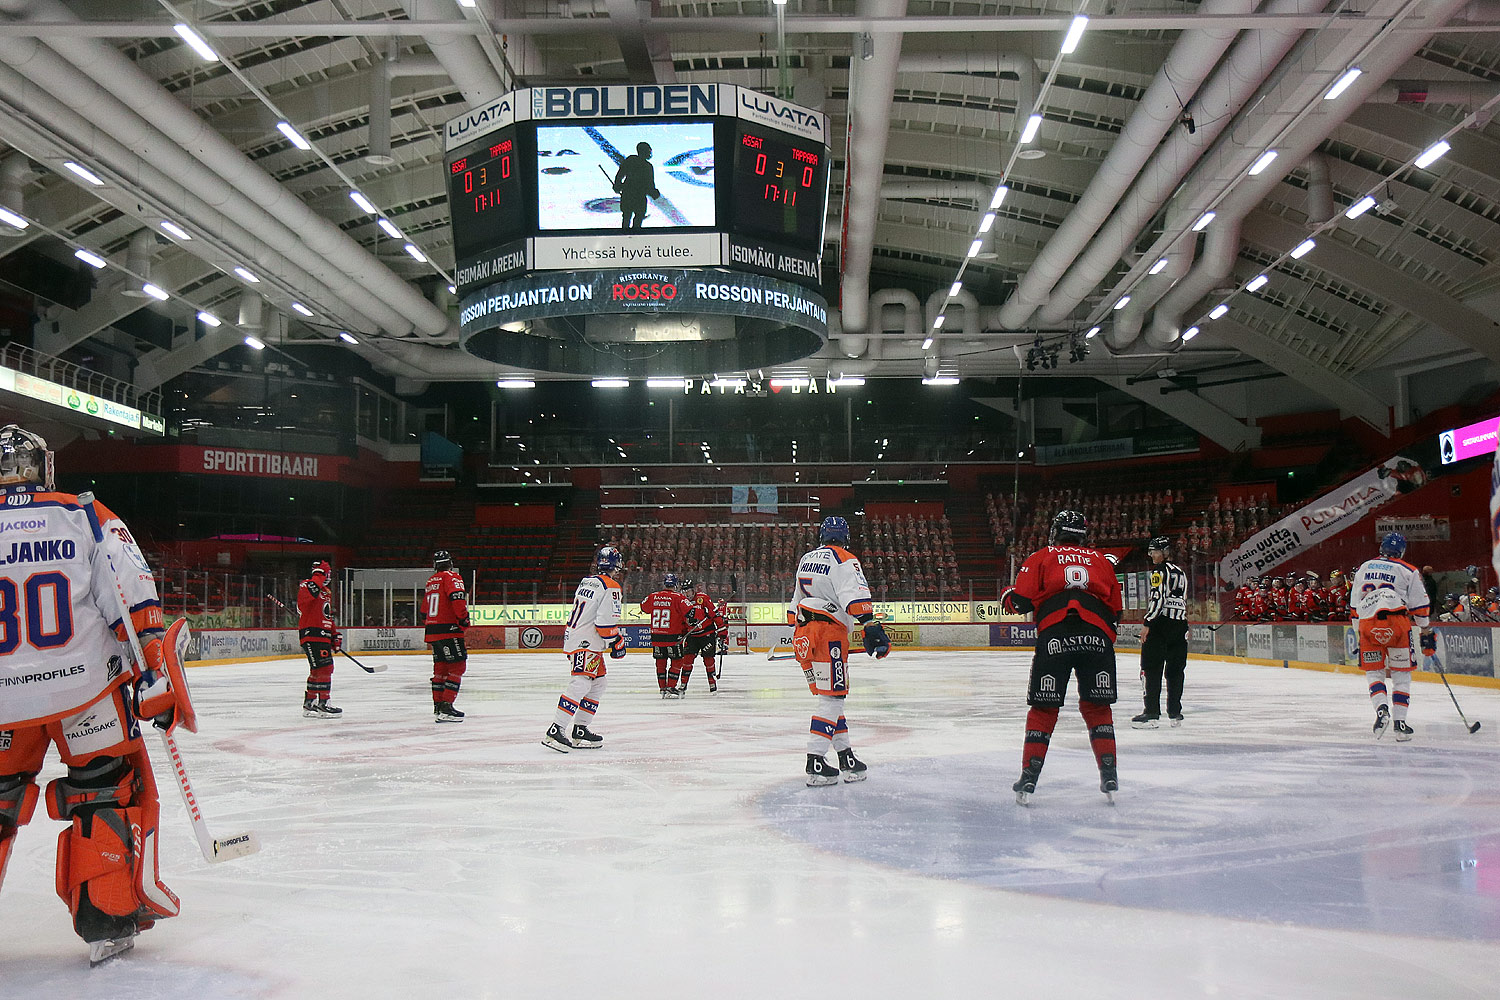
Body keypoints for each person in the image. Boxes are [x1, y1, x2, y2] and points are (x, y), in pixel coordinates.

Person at [0, 424, 183, 963]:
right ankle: (105, 919)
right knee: (104, 792)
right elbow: (135, 608)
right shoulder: (83, 514)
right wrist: (156, 674)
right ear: (43, 468)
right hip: (85, 690)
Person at [1004, 510, 1124, 805]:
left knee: (1044, 710)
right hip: (1097, 636)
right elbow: (1116, 609)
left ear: (1056, 532)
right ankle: (1109, 772)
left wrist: (1008, 594)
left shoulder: (1042, 556)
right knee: (1098, 708)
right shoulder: (1101, 560)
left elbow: (1019, 602)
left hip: (1056, 633)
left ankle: (1029, 777)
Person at [786, 516, 889, 786]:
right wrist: (871, 626)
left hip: (803, 634)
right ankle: (815, 760)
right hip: (829, 634)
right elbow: (854, 597)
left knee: (831, 698)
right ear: (845, 536)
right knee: (833, 698)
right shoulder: (845, 559)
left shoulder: (806, 558)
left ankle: (846, 757)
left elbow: (793, 604)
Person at [543, 546, 627, 752]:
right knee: (581, 683)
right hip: (586, 643)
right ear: (616, 564)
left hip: (579, 637)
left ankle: (580, 728)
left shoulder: (587, 580)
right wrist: (618, 641)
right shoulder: (611, 586)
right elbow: (605, 625)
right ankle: (556, 728)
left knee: (598, 683)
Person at [1351, 532, 1432, 741]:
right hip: (1397, 625)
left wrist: (1358, 630)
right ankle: (1400, 724)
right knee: (1401, 676)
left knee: (1374, 673)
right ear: (1401, 551)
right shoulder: (1408, 570)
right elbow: (1420, 605)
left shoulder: (1364, 567)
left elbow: (1354, 604)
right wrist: (1425, 630)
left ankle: (1381, 711)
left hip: (1368, 625)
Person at [1133, 536, 1189, 729]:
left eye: (1154, 551)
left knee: (1151, 668)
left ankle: (1151, 713)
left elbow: (1157, 598)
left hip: (1160, 624)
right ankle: (1175, 713)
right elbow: (1183, 600)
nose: (1151, 555)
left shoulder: (1159, 572)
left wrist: (1148, 622)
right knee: (1175, 671)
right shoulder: (1180, 572)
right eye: (1150, 552)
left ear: (1164, 552)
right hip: (1180, 625)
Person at [423, 549, 470, 723]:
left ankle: (438, 706)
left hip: (432, 630)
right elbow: (457, 600)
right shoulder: (452, 577)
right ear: (450, 562)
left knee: (440, 669)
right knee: (457, 667)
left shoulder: (430, 581)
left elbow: (423, 610)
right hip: (449, 629)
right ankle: (447, 706)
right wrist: (464, 619)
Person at [298, 559, 343, 717]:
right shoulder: (307, 585)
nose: (328, 575)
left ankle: (310, 703)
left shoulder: (325, 591)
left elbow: (326, 616)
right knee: (325, 667)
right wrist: (319, 573)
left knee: (317, 669)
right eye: (326, 572)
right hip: (312, 633)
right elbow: (310, 595)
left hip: (322, 634)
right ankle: (324, 703)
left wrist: (334, 634)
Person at [639, 572, 692, 698]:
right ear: (675, 585)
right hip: (673, 636)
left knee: (660, 662)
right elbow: (691, 612)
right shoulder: (679, 597)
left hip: (656, 635)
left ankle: (662, 688)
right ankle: (671, 687)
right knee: (677, 661)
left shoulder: (653, 596)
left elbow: (643, 608)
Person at [675, 582, 727, 695]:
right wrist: (681, 633)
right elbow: (681, 620)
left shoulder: (702, 598)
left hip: (707, 635)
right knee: (687, 661)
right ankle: (683, 685)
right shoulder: (681, 602)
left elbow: (715, 614)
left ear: (693, 590)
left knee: (708, 660)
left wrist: (722, 630)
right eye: (683, 591)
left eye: (687, 591)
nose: (686, 594)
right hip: (692, 636)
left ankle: (712, 684)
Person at [611, 141, 660, 229]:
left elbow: (620, 174)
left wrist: (618, 185)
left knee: (627, 217)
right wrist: (653, 192)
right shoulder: (647, 166)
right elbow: (650, 184)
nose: (650, 153)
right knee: (637, 217)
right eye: (648, 151)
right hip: (639, 196)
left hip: (628, 194)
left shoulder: (631, 160)